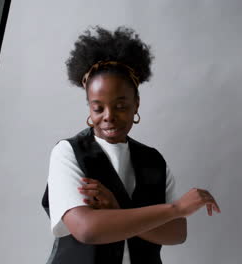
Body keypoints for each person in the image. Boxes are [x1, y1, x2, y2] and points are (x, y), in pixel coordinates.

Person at [41, 25, 221, 264]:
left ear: (136, 104)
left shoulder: (153, 160)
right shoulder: (68, 153)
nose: (108, 116)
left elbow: (177, 233)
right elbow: (87, 229)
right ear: (89, 108)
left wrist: (117, 209)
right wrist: (175, 209)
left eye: (121, 106)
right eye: (98, 107)